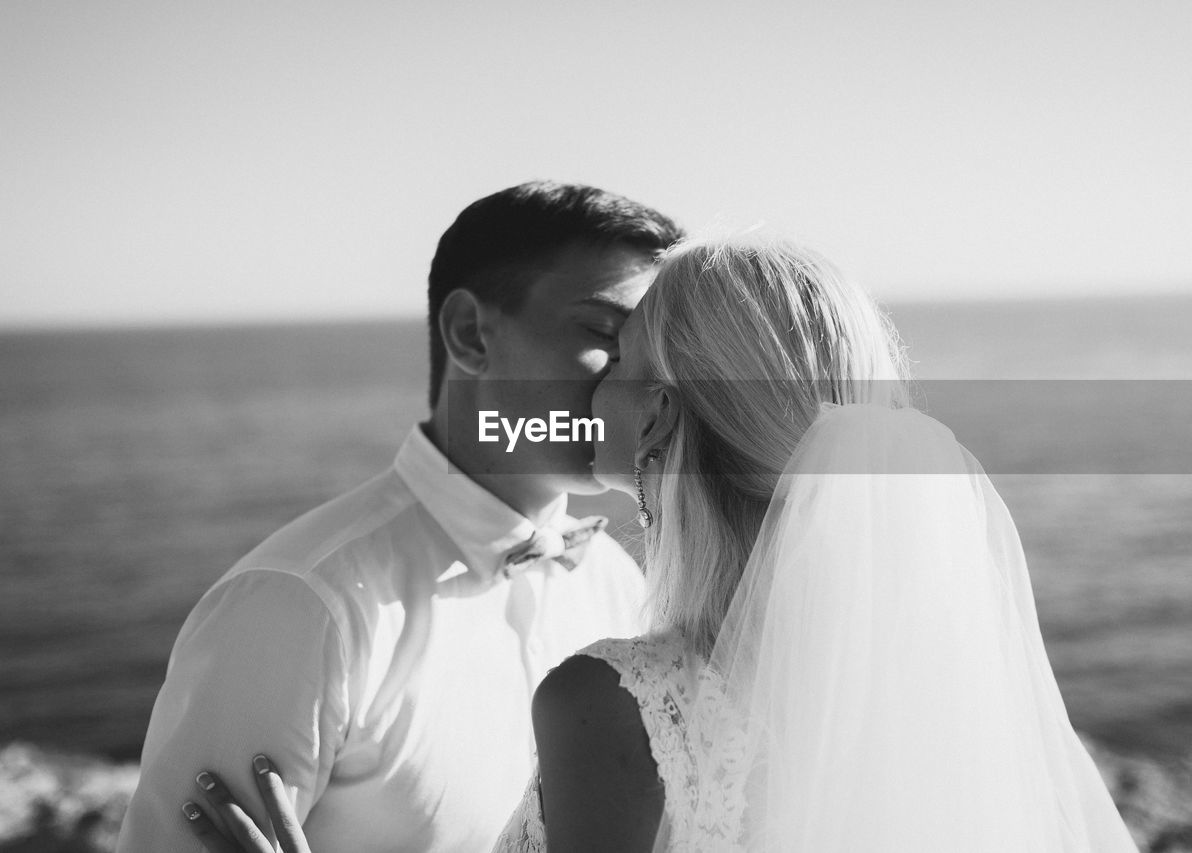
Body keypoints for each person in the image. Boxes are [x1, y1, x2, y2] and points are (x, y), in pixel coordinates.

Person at [181, 235, 1138, 851]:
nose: (596, 386)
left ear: (662, 417)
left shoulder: (618, 699)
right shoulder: (951, 684)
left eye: (623, 357)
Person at [116, 181, 684, 853]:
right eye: (605, 335)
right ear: (470, 333)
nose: (639, 385)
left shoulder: (622, 584)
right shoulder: (299, 606)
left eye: (653, 358)